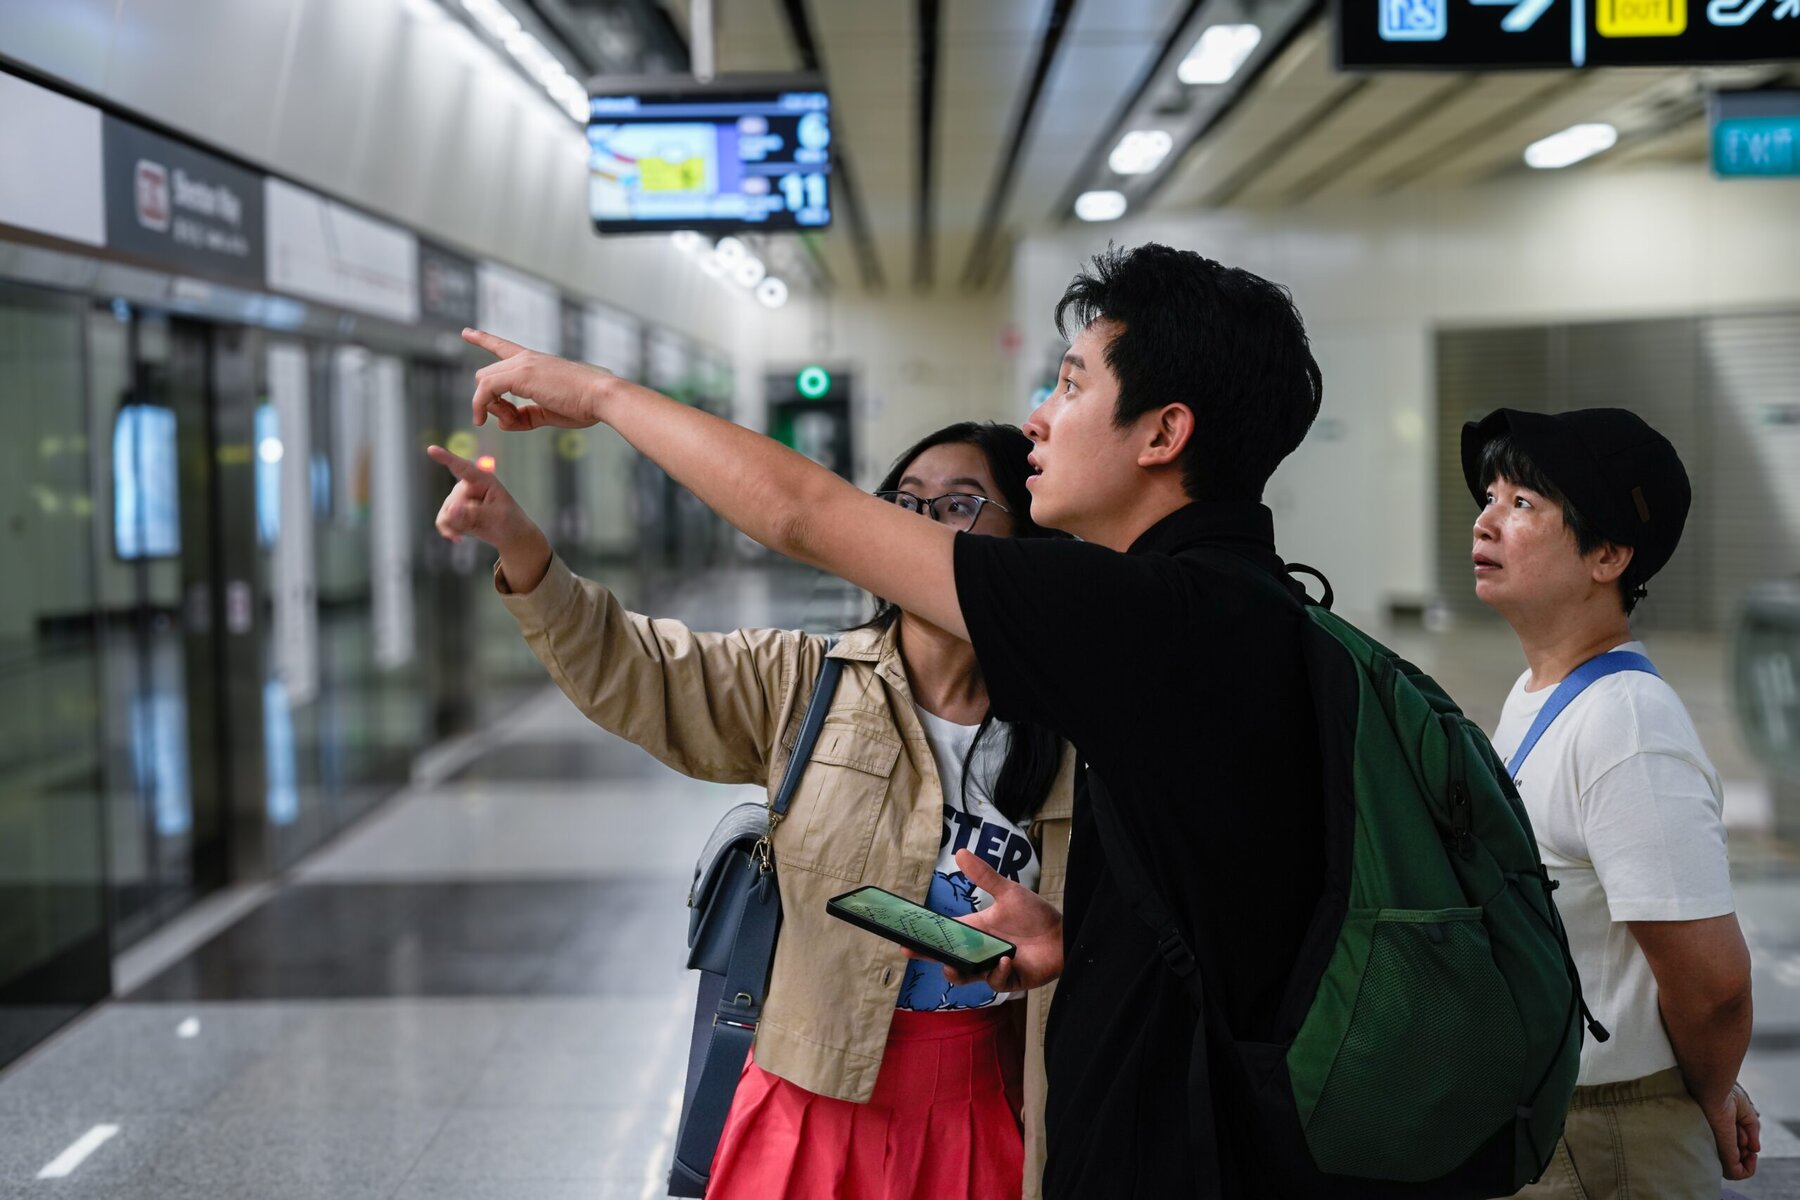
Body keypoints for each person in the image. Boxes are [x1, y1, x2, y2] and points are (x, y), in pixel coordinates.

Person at [442, 241, 1330, 1198]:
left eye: (1070, 385)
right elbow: (1216, 919)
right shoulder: (1266, 623)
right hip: (846, 1104)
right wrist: (1081, 939)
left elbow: (798, 512)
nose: (1042, 418)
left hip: (1046, 1124)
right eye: (904, 509)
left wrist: (604, 395)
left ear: (1162, 434)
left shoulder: (1116, 637)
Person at [428, 420, 1075, 1200]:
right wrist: (522, 546)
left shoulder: (1070, 730)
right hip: (808, 1100)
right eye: (903, 502)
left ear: (1025, 535)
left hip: (987, 1108)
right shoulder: (805, 682)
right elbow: (637, 671)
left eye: (958, 505)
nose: (918, 525)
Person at [1463, 407, 1759, 1197]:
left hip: (1610, 1139)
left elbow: (1716, 986)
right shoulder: (1538, 695)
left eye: (1523, 503)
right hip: (1555, 1123)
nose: (1486, 519)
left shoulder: (1626, 722)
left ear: (1608, 554)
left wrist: (1695, 1098)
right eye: (1489, 496)